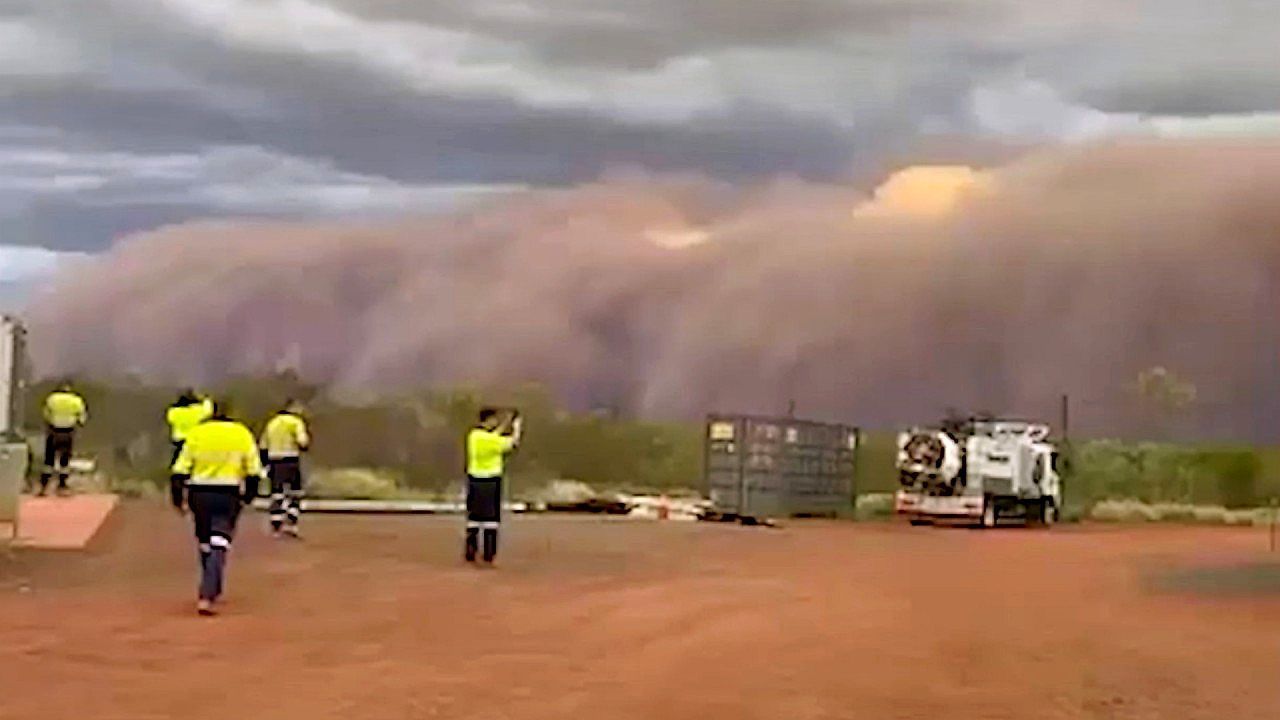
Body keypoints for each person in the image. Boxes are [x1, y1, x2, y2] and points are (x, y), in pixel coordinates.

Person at [170, 398, 263, 617]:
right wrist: (248, 496)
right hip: (227, 493)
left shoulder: (197, 434)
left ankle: (211, 585)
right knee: (220, 542)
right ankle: (208, 592)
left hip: (199, 492)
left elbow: (180, 469)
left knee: (204, 542)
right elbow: (253, 470)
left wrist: (177, 498)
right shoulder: (241, 434)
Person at [464, 407, 522, 565]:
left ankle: (470, 550)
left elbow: (494, 434)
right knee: (491, 519)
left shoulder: (473, 436)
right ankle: (489, 553)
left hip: (474, 480)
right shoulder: (492, 441)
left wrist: (505, 423)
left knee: (474, 518)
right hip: (490, 481)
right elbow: (512, 443)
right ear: (488, 420)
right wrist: (516, 427)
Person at [260, 399, 311, 538]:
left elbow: (263, 444)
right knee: (296, 491)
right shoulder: (295, 422)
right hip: (290, 459)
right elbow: (303, 441)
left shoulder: (272, 423)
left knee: (277, 492)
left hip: (274, 460)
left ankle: (276, 523)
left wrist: (264, 463)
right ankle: (292, 520)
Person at [38, 381, 87, 496]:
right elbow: (82, 418)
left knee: (49, 460)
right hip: (68, 432)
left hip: (53, 431)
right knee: (64, 460)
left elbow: (46, 414)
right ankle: (62, 485)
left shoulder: (52, 398)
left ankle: (44, 485)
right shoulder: (77, 400)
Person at [165, 388, 213, 466]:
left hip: (179, 439)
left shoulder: (173, 411)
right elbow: (208, 411)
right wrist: (206, 399)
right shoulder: (198, 410)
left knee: (178, 457)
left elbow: (169, 419)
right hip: (195, 439)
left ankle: (176, 470)